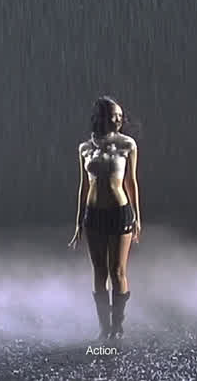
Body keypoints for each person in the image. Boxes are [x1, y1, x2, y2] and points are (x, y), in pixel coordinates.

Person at [68, 96, 142, 341]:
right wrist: (79, 221)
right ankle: (104, 327)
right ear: (101, 117)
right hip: (94, 215)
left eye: (121, 115)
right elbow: (83, 186)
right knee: (99, 272)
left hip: (120, 212)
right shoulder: (85, 148)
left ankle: (117, 326)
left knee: (117, 271)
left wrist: (137, 217)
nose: (119, 119)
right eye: (114, 115)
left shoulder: (127, 144)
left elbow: (131, 182)